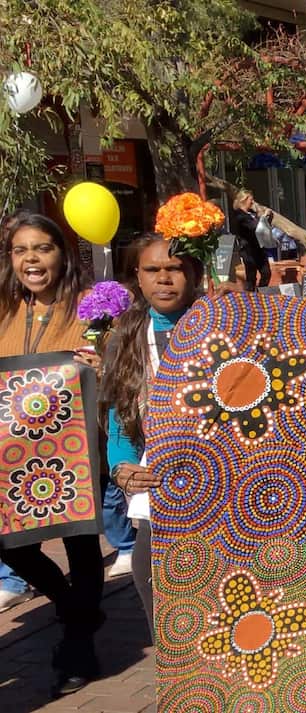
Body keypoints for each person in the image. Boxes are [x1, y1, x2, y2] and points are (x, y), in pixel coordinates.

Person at [0, 213, 104, 696]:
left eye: (41, 248)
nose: (31, 260)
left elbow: (123, 366)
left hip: (76, 450)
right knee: (10, 543)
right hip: (13, 455)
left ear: (61, 254)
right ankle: (67, 602)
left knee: (81, 543)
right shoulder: (2, 307)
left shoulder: (92, 307)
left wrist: (102, 363)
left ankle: (79, 643)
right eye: (21, 251)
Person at [100, 235, 205, 642]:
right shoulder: (127, 337)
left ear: (193, 274)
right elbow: (119, 413)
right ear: (137, 280)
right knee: (151, 579)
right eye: (152, 270)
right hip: (162, 483)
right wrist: (121, 466)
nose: (164, 279)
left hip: (226, 478)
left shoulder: (222, 321)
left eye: (175, 268)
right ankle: (178, 678)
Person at [229, 190, 272, 292]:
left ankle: (261, 294)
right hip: (248, 250)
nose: (252, 202)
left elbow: (263, 227)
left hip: (259, 247)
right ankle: (250, 297)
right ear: (243, 200)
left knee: (266, 272)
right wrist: (263, 217)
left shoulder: (251, 213)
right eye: (250, 200)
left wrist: (266, 217)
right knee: (251, 276)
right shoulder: (239, 216)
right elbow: (254, 226)